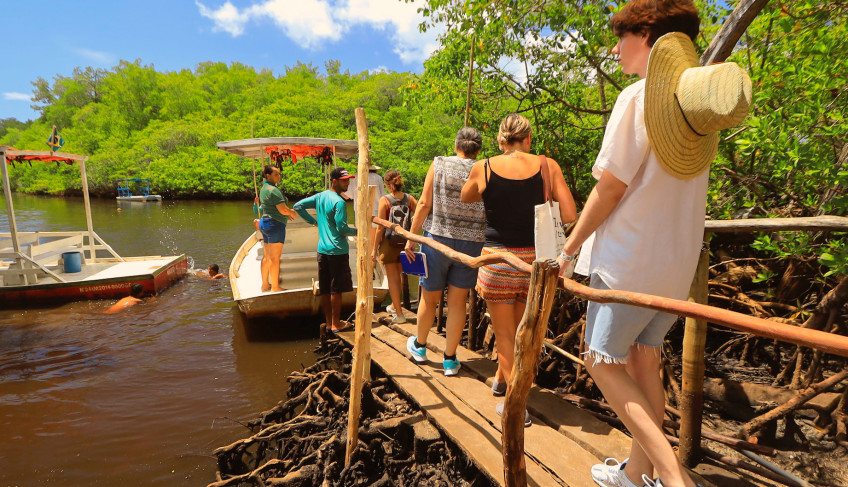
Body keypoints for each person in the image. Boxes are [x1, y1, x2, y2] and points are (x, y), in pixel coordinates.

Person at [557, 2, 751, 486]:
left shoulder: (638, 98)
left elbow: (611, 186)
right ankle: (638, 473)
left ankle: (672, 476)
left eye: (621, 38)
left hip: (628, 261)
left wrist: (569, 248)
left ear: (645, 35)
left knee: (600, 360)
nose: (616, 49)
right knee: (645, 360)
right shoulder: (696, 115)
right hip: (674, 267)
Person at [461, 114, 576, 422]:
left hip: (498, 261)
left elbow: (467, 196)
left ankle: (517, 404)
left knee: (505, 334)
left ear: (501, 140)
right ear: (528, 138)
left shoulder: (484, 166)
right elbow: (569, 212)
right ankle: (502, 379)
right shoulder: (547, 165)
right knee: (524, 332)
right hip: (535, 264)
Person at [404, 127, 486, 376]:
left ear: (456, 145)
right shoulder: (484, 169)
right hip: (471, 245)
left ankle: (419, 347)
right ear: (478, 149)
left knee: (429, 298)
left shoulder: (439, 164)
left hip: (437, 241)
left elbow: (425, 203)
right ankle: (450, 360)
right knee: (459, 302)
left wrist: (411, 237)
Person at [293, 167, 358, 333]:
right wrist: (358, 231)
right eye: (344, 180)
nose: (348, 183)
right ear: (334, 181)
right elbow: (342, 229)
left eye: (348, 179)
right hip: (337, 250)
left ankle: (329, 323)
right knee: (336, 289)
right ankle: (336, 324)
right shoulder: (339, 202)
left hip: (322, 250)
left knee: (326, 288)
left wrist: (313, 222)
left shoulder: (321, 196)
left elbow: (298, 206)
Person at [372, 170, 417, 324]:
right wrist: (413, 237)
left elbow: (380, 228)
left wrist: (373, 250)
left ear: (387, 184)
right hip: (405, 244)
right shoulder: (410, 199)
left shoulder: (384, 201)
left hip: (389, 245)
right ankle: (393, 306)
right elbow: (420, 216)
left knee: (392, 279)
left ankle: (399, 315)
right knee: (399, 276)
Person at [258, 165, 298, 293]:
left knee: (266, 256)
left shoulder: (264, 188)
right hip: (275, 225)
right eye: (276, 174)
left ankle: (265, 284)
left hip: (265, 223)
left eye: (279, 174)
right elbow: (283, 209)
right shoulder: (274, 190)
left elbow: (274, 208)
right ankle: (275, 287)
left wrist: (285, 213)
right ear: (267, 175)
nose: (278, 176)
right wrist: (291, 213)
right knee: (274, 258)